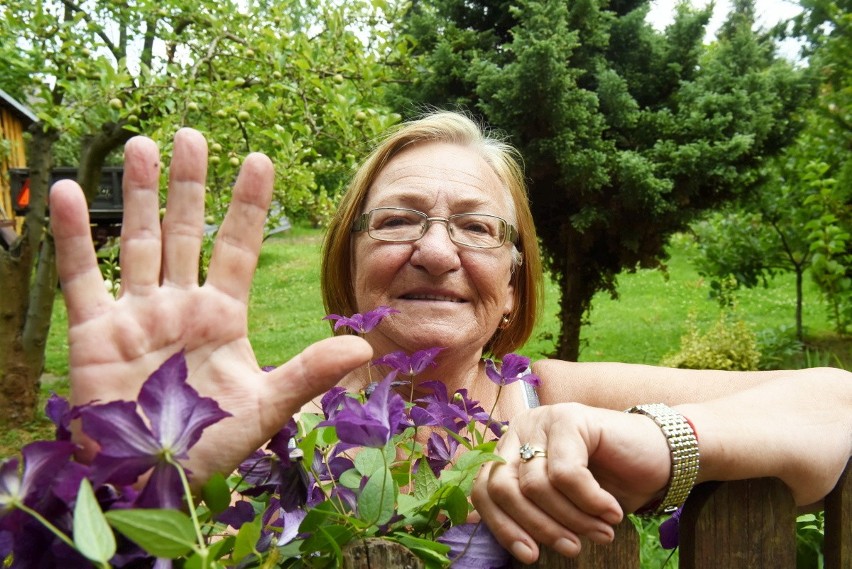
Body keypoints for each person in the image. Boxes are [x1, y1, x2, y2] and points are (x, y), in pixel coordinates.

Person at [49, 111, 852, 564]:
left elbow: (836, 402)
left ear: (511, 286)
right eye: (398, 220)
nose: (436, 251)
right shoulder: (272, 433)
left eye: (475, 227)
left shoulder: (558, 395)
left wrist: (657, 437)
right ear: (350, 266)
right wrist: (131, 466)